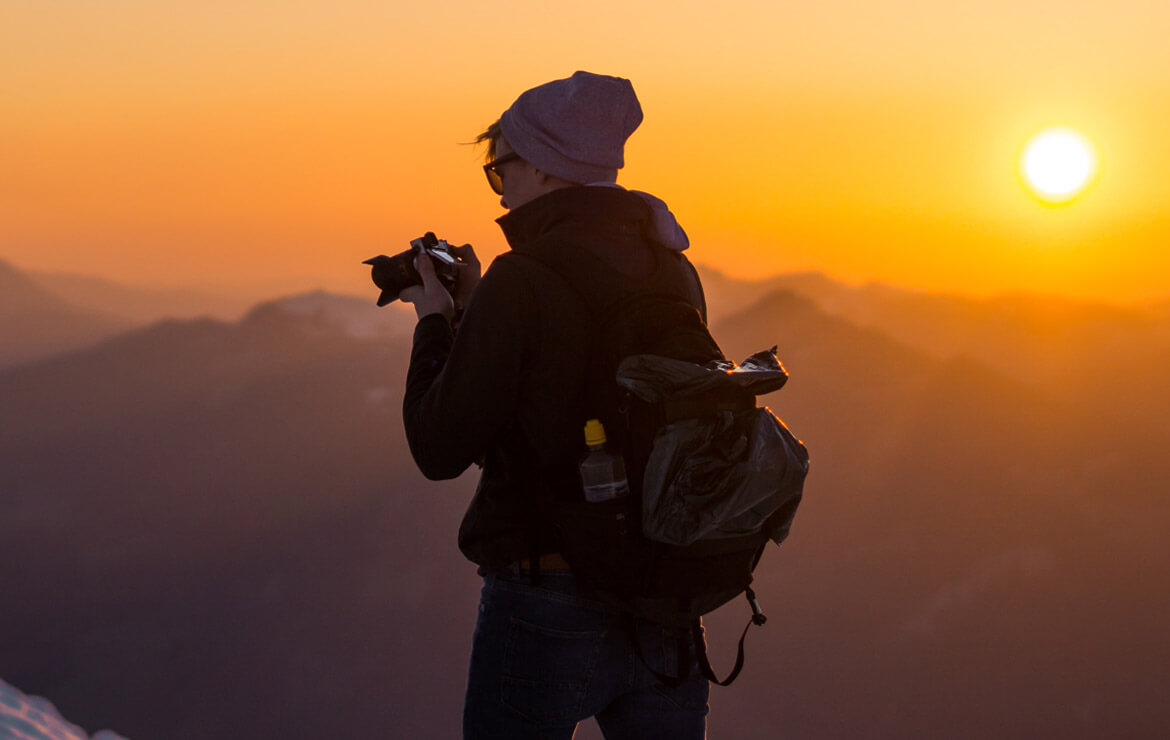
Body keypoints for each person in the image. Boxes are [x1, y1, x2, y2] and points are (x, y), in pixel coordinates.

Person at [400, 71, 711, 739]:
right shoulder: (672, 268)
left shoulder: (525, 278)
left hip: (546, 601)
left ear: (544, 165)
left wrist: (436, 319)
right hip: (665, 598)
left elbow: (439, 446)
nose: (498, 186)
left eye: (499, 166)